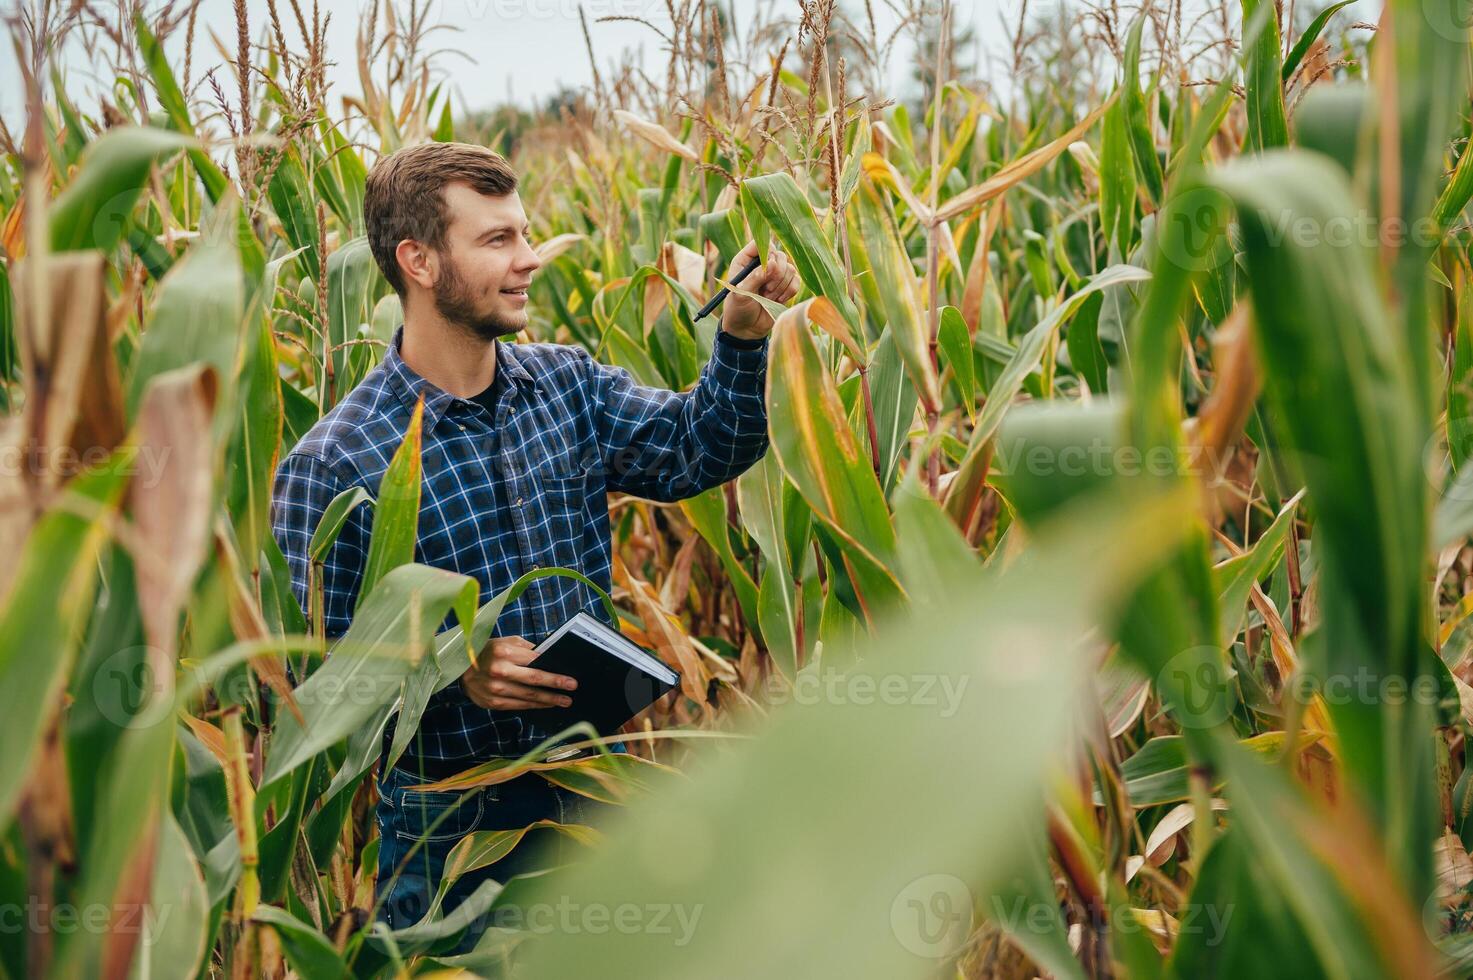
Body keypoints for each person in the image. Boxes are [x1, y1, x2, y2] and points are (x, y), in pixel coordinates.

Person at [268, 140, 798, 950]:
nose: (527, 260)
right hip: (449, 826)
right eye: (496, 241)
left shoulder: (566, 385)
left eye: (523, 234)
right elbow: (319, 698)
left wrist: (741, 336)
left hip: (594, 786)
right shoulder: (336, 463)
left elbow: (702, 447)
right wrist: (451, 669)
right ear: (418, 260)